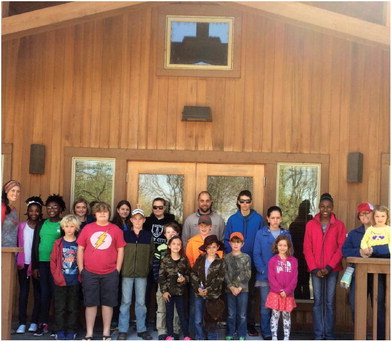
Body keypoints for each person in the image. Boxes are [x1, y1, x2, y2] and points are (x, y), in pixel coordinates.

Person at [77, 202, 126, 340]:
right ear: (95, 214)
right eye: (99, 212)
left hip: (110, 273)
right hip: (90, 272)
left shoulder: (116, 229)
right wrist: (82, 269)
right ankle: (89, 333)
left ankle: (106, 333)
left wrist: (117, 269)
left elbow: (120, 249)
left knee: (108, 303)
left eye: (105, 211)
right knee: (91, 303)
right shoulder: (87, 228)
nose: (102, 214)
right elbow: (80, 249)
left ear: (109, 213)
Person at [342, 202, 389, 339]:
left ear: (373, 214)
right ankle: (360, 336)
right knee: (355, 306)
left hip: (378, 275)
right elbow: (344, 250)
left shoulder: (386, 230)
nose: (364, 216)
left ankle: (380, 338)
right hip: (358, 275)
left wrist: (374, 251)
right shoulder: (353, 234)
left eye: (367, 212)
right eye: (361, 214)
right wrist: (360, 252)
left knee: (379, 306)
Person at [303, 193, 346, 340]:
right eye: (322, 206)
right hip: (315, 270)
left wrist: (329, 267)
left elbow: (341, 248)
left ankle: (328, 334)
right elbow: (307, 248)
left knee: (328, 302)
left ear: (332, 207)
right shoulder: (310, 224)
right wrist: (314, 268)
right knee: (317, 302)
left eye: (328, 206)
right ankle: (318, 334)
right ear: (319, 207)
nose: (325, 209)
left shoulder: (339, 225)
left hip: (332, 269)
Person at [224, 190, 263, 337]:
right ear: (238, 202)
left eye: (247, 201)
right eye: (242, 201)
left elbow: (260, 239)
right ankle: (232, 328)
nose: (245, 204)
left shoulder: (258, 219)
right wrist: (231, 257)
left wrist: (257, 260)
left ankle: (250, 325)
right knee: (232, 295)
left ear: (251, 202)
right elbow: (227, 240)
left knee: (250, 295)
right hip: (233, 264)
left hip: (250, 263)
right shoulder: (233, 219)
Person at [253, 206, 291, 340]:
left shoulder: (286, 234)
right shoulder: (260, 233)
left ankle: (279, 331)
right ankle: (267, 331)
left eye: (278, 218)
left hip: (282, 277)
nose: (275, 220)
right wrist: (263, 269)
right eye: (272, 218)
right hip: (265, 276)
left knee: (281, 305)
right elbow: (256, 254)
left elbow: (290, 255)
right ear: (268, 219)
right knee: (266, 305)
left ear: (281, 218)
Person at [31, 194, 66, 336]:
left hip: (57, 264)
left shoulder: (63, 224)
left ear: (60, 209)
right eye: (49, 207)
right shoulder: (41, 224)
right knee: (44, 294)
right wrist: (35, 266)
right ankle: (43, 323)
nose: (51, 209)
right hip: (42, 264)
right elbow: (35, 245)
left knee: (56, 294)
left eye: (55, 207)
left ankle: (57, 326)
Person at [118, 209, 154, 341]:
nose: (138, 221)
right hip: (127, 273)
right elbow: (119, 252)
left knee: (141, 302)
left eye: (140, 218)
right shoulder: (125, 235)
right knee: (125, 301)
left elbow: (151, 254)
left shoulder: (148, 236)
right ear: (131, 220)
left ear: (144, 220)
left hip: (142, 274)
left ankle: (141, 329)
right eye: (135, 218)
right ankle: (123, 329)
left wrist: (146, 267)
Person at [144, 198, 178, 328]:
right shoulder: (147, 222)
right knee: (148, 292)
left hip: (166, 260)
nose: (157, 209)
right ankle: (148, 320)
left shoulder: (171, 222)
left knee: (163, 291)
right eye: (155, 207)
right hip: (150, 258)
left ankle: (163, 323)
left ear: (164, 208)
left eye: (160, 207)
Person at [15, 196, 44, 334]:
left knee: (38, 294)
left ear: (40, 212)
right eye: (31, 210)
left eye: (37, 211)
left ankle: (34, 321)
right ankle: (22, 322)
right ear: (27, 211)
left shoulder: (41, 226)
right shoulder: (21, 226)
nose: (34, 213)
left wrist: (37, 265)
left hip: (37, 266)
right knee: (24, 293)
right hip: (23, 264)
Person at [50, 214, 81, 340]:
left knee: (73, 307)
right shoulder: (58, 243)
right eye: (67, 226)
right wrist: (57, 276)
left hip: (74, 280)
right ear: (63, 227)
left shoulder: (79, 243)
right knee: (60, 308)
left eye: (72, 226)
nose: (69, 229)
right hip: (61, 280)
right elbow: (53, 261)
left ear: (76, 228)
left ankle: (71, 330)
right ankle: (59, 330)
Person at [191, 235, 226, 340]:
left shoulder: (220, 262)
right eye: (209, 247)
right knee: (198, 319)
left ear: (217, 247)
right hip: (199, 293)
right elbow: (193, 273)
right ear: (205, 248)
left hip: (213, 295)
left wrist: (209, 289)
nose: (211, 249)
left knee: (212, 319)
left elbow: (220, 279)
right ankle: (199, 337)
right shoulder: (201, 258)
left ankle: (211, 338)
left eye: (214, 247)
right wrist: (198, 287)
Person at [158, 236, 191, 341]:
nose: (176, 246)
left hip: (180, 292)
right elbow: (161, 276)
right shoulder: (165, 260)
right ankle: (170, 335)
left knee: (182, 313)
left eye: (179, 244)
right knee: (169, 314)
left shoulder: (184, 259)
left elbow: (189, 274)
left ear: (181, 246)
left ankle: (186, 335)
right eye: (174, 244)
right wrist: (164, 291)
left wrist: (184, 279)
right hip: (169, 292)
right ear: (169, 246)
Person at [265, 235, 298, 341]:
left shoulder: (293, 261)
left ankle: (286, 337)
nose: (282, 247)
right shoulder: (272, 261)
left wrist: (287, 291)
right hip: (276, 293)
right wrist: (280, 290)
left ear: (289, 247)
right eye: (280, 245)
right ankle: (274, 337)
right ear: (276, 246)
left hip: (288, 294)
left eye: (285, 245)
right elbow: (271, 278)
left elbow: (294, 278)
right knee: (275, 315)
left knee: (286, 316)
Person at [153, 222, 182, 340]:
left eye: (173, 232)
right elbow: (155, 266)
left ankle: (175, 329)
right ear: (164, 234)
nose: (171, 234)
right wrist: (159, 281)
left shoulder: (179, 248)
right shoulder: (160, 248)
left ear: (178, 234)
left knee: (175, 308)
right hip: (162, 284)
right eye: (168, 232)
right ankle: (162, 330)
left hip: (176, 285)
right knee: (161, 308)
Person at [224, 232, 251, 341]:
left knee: (242, 314)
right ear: (230, 243)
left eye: (238, 242)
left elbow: (247, 274)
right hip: (229, 289)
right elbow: (224, 273)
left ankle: (241, 334)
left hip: (243, 290)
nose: (236, 244)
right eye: (233, 242)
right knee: (231, 313)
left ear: (242, 244)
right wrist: (231, 286)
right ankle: (230, 332)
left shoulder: (246, 257)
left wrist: (239, 287)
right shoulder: (226, 257)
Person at [111, 200, 132, 328]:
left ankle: (126, 319)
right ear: (118, 210)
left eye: (127, 209)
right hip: (115, 260)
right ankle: (114, 318)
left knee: (127, 293)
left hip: (129, 261)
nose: (125, 211)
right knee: (116, 291)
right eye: (122, 209)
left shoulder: (132, 224)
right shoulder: (113, 224)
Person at [289, 200, 312, 299]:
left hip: (297, 256)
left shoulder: (294, 224)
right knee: (305, 281)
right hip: (305, 256)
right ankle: (306, 301)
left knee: (297, 280)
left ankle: (298, 301)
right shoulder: (310, 223)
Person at [2, 179, 21, 247]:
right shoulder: (2, 208)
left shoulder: (14, 210)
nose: (15, 194)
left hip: (12, 250)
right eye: (13, 190)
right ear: (6, 191)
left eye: (18, 191)